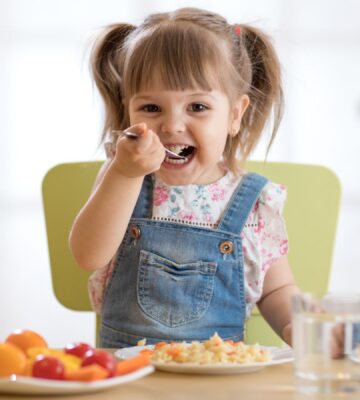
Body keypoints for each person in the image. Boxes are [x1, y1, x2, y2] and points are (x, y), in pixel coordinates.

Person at [69, 7, 301, 349]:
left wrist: (298, 327)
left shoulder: (254, 202)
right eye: (151, 108)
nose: (173, 126)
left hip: (217, 380)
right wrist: (124, 172)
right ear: (128, 109)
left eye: (197, 107)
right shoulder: (123, 179)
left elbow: (277, 289)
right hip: (129, 376)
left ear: (235, 115)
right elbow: (88, 255)